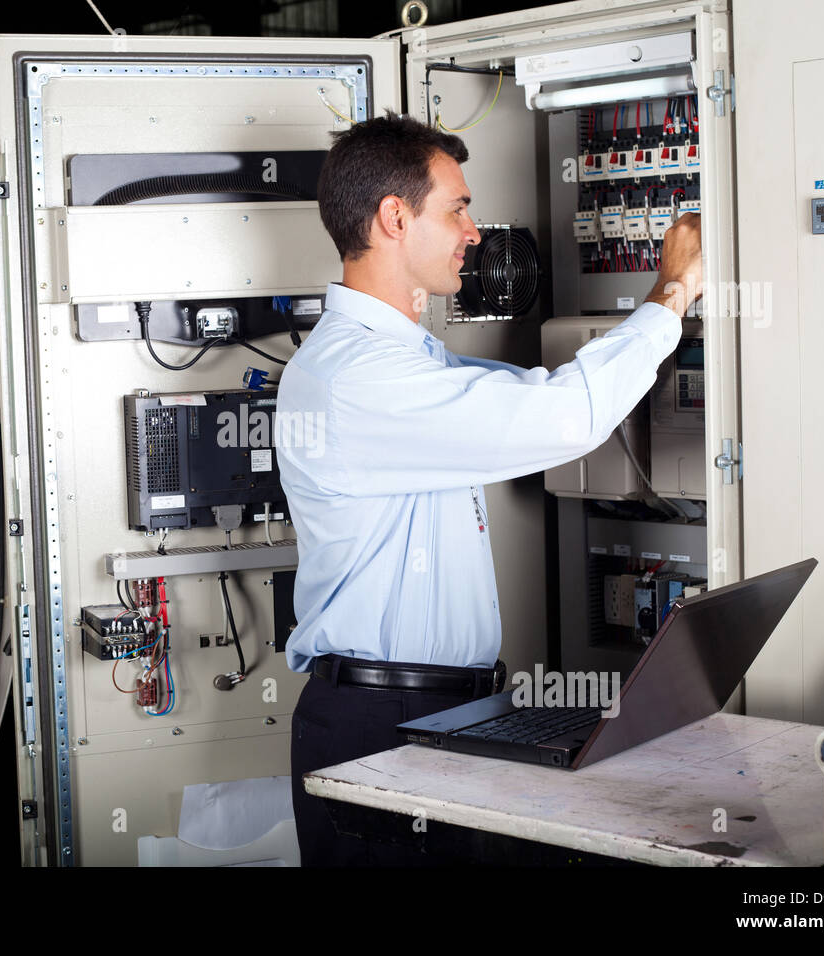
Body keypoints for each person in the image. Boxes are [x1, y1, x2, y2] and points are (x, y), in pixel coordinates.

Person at [275, 112, 703, 865]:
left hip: (444, 710)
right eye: (458, 209)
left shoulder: (407, 363)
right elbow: (565, 416)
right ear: (394, 218)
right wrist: (671, 292)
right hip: (382, 720)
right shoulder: (357, 379)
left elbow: (543, 395)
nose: (475, 232)